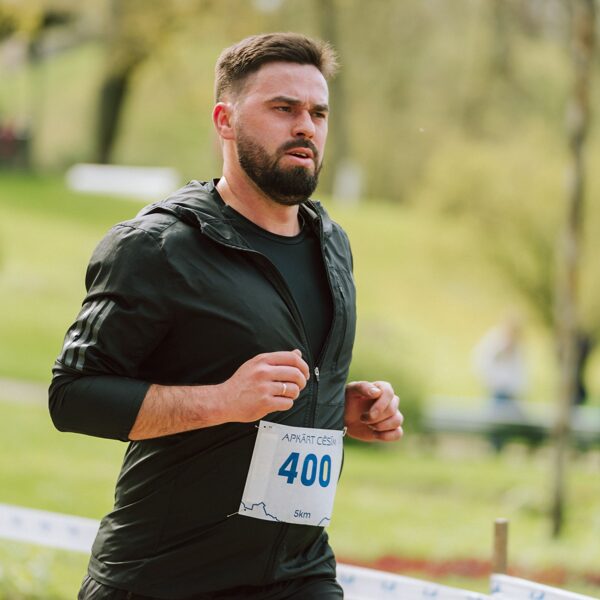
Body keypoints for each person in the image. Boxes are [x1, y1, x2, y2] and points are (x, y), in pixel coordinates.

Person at [49, 32, 404, 600]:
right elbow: (72, 396)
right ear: (225, 120)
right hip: (163, 580)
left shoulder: (332, 243)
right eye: (283, 108)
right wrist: (222, 400)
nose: (306, 127)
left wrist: (334, 405)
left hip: (298, 575)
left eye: (317, 113)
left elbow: (266, 388)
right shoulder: (157, 246)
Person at [473, 314, 526, 451]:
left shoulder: (517, 346)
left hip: (510, 391)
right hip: (497, 388)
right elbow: (482, 361)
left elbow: (519, 371)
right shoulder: (495, 341)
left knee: (508, 418)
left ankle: (500, 444)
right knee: (496, 417)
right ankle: (495, 444)